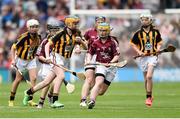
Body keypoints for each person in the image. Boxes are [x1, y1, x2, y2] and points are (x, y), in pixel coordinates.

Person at [23, 15, 86, 108]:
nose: (76, 25)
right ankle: (55, 100)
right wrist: (48, 57)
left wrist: (80, 44)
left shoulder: (77, 33)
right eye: (74, 23)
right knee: (61, 76)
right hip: (56, 57)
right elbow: (48, 45)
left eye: (77, 24)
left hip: (66, 60)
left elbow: (86, 47)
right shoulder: (60, 33)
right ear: (68, 23)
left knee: (46, 82)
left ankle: (28, 92)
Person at [80, 16, 120, 107]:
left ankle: (91, 94)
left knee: (101, 91)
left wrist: (110, 63)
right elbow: (90, 53)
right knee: (98, 82)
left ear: (108, 31)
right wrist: (89, 60)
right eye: (101, 30)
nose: (103, 32)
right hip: (100, 65)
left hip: (112, 67)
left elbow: (117, 55)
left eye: (105, 30)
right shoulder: (95, 42)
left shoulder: (113, 42)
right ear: (98, 31)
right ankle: (92, 101)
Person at [36, 19, 75, 109]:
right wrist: (46, 59)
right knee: (47, 83)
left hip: (57, 64)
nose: (55, 32)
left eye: (57, 30)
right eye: (53, 30)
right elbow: (39, 55)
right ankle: (41, 102)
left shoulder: (61, 39)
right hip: (46, 65)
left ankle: (50, 96)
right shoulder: (45, 41)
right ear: (48, 31)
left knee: (56, 82)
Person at [130, 13, 163, 107]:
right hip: (143, 58)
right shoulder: (138, 33)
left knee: (149, 77)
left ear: (150, 20)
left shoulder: (156, 32)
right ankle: (150, 95)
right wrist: (139, 51)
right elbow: (133, 44)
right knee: (146, 80)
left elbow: (159, 42)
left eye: (146, 19)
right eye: (142, 19)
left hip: (153, 56)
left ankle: (148, 97)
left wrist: (158, 49)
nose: (144, 21)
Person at [8, 19, 41, 107]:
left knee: (33, 79)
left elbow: (37, 48)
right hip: (21, 60)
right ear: (28, 28)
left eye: (36, 27)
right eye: (32, 27)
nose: (34, 29)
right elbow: (13, 47)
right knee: (18, 80)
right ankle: (11, 99)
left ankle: (30, 99)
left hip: (31, 60)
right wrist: (13, 60)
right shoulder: (23, 37)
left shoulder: (39, 37)